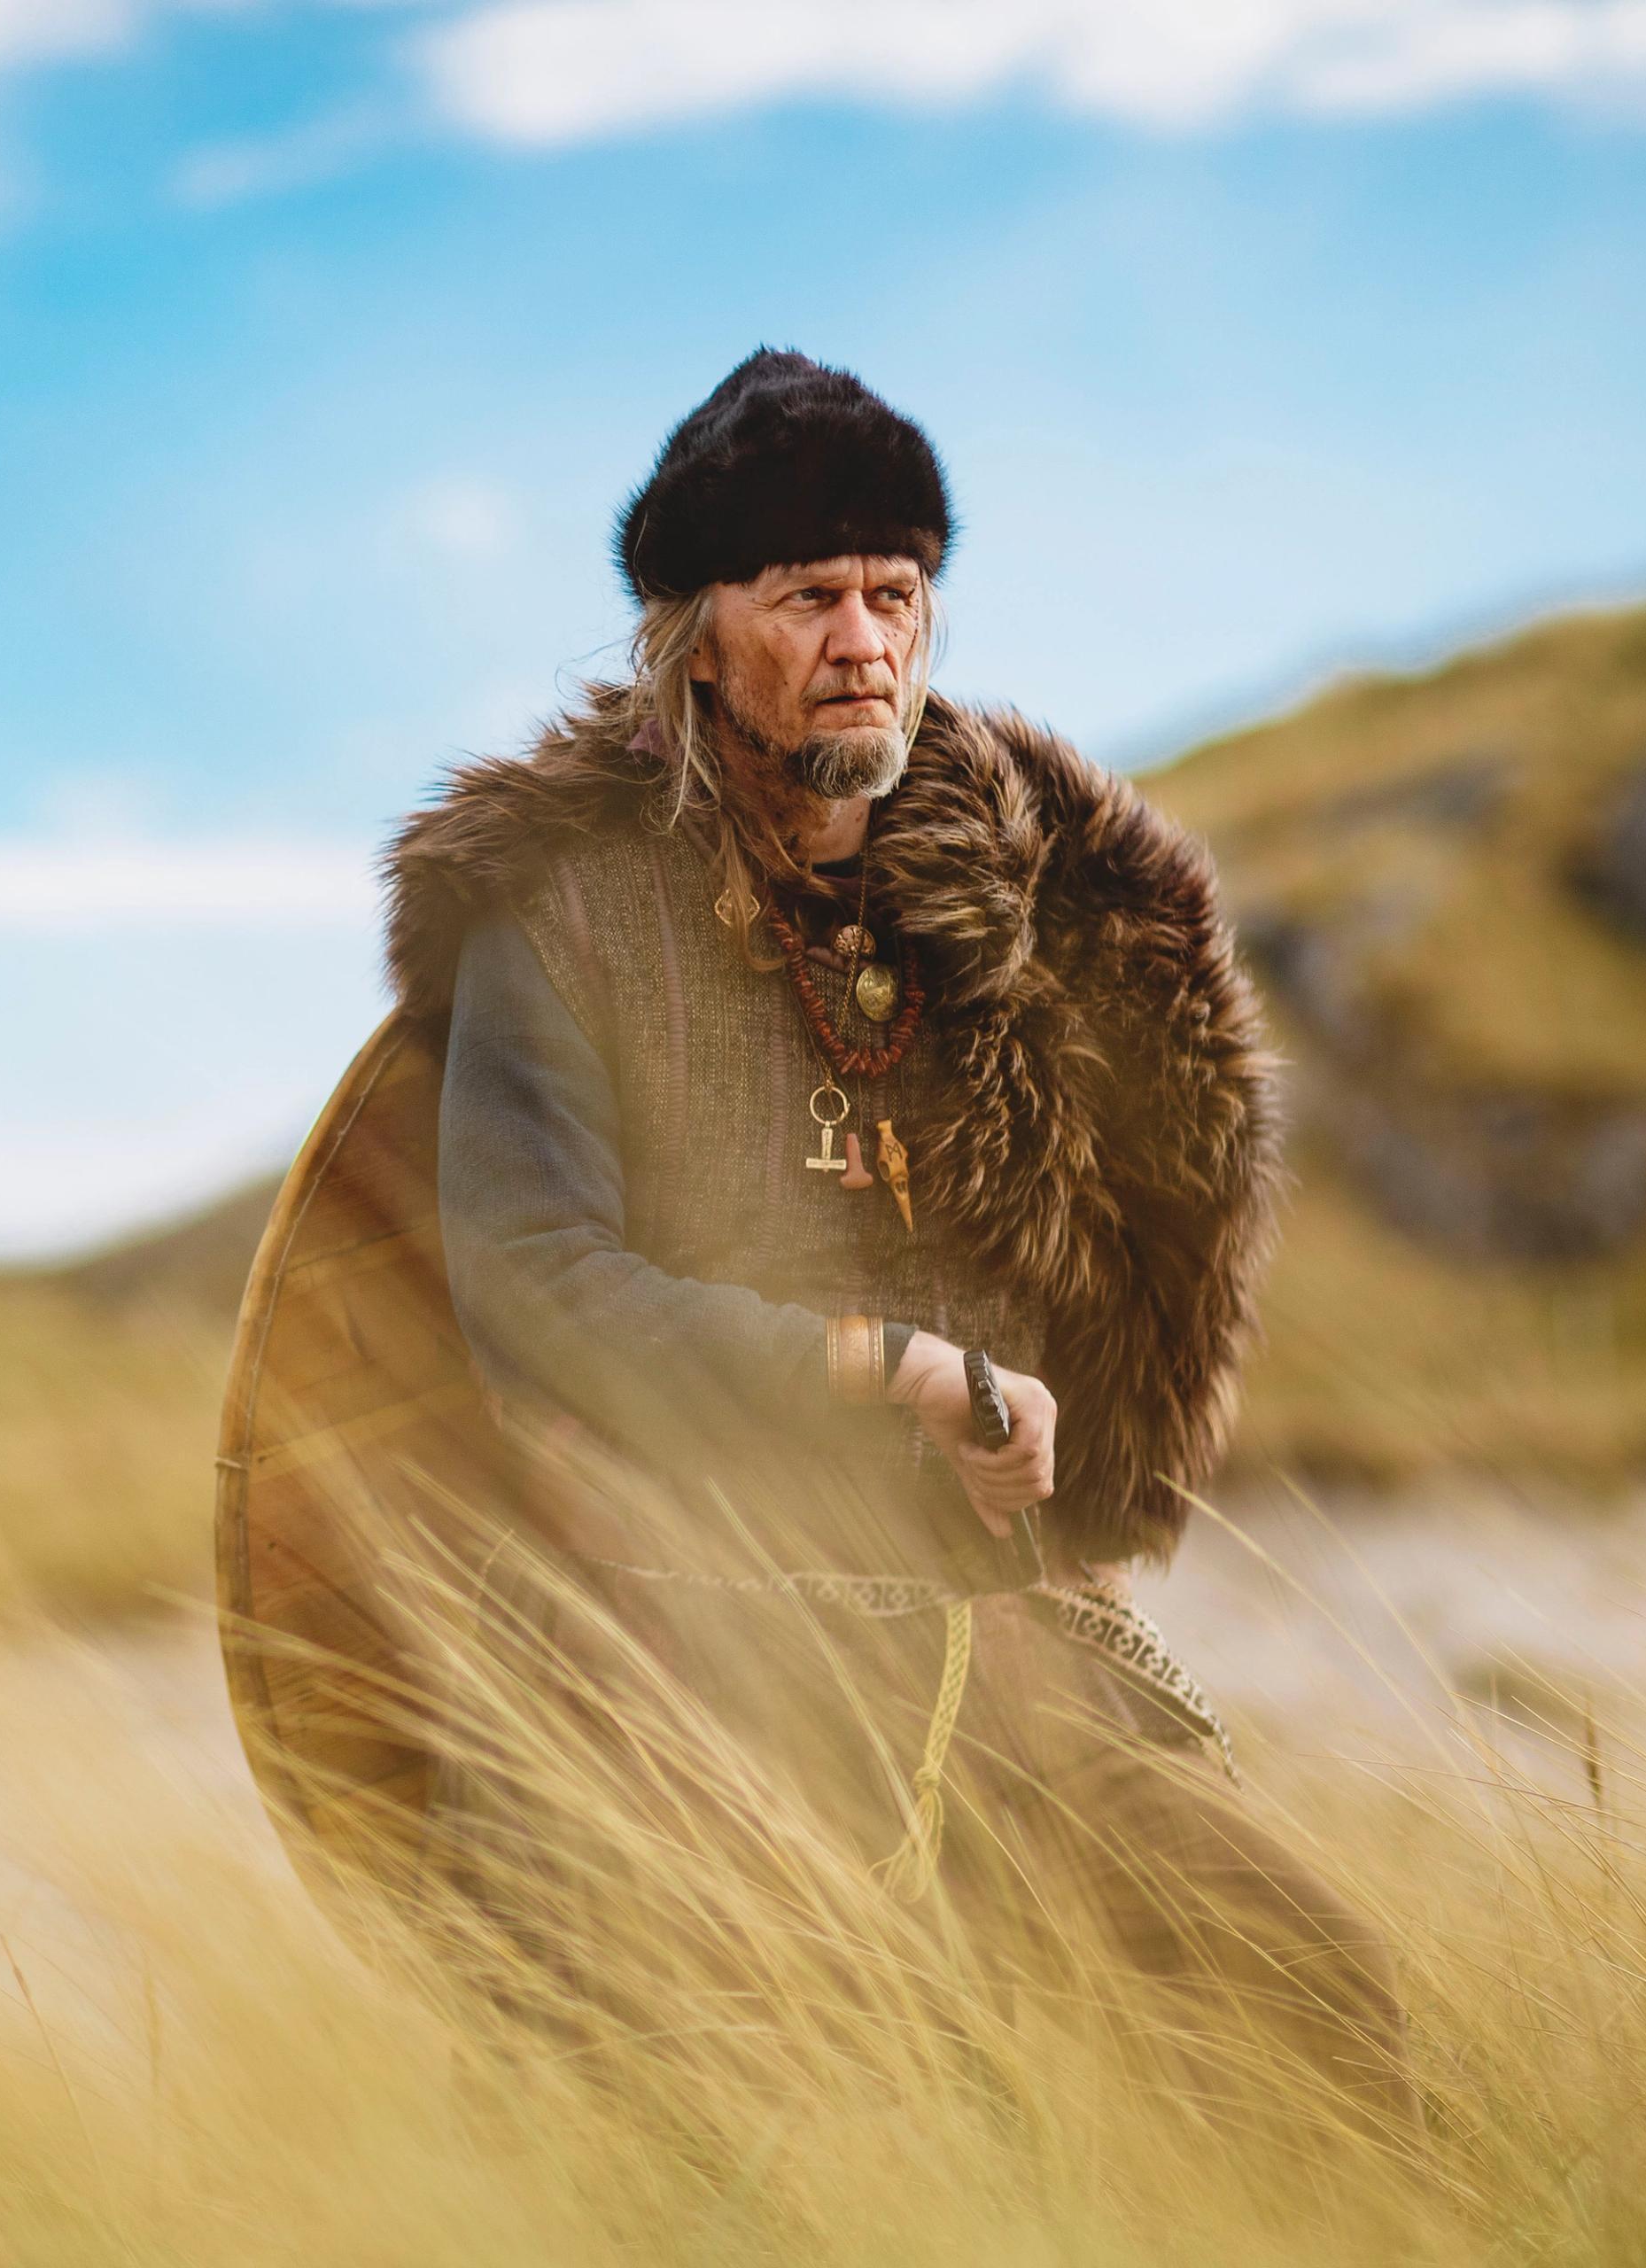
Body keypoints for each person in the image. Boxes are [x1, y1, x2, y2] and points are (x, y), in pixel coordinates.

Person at [377, 347, 1409, 2124]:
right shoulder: (565, 924)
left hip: (987, 1632)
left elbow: (1074, 1246)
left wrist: (1025, 1406)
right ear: (700, 636)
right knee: (754, 2148)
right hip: (667, 1644)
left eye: (894, 593)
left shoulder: (1007, 920)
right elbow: (537, 1288)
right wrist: (881, 1368)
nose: (863, 637)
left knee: (1308, 2001)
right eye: (808, 597)